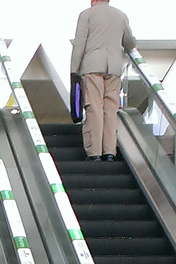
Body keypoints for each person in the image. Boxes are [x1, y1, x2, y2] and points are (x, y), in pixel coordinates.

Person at [71, 0, 136, 162]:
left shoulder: (86, 15)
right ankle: (109, 151)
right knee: (110, 109)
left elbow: (79, 44)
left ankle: (94, 152)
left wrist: (73, 70)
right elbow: (130, 43)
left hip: (92, 66)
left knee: (94, 108)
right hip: (114, 68)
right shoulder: (121, 15)